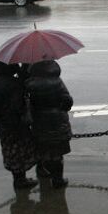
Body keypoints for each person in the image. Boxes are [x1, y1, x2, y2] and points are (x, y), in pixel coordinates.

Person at [0, 60, 37, 189]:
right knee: (18, 150)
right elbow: (18, 106)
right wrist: (24, 69)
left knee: (9, 149)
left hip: (2, 122)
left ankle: (18, 178)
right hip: (16, 123)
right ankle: (20, 180)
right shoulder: (14, 84)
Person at [24, 60, 74, 188]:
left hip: (40, 121)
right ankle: (58, 179)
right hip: (57, 121)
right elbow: (67, 100)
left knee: (44, 149)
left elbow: (27, 104)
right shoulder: (57, 81)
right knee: (57, 153)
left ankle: (43, 170)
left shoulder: (29, 84)